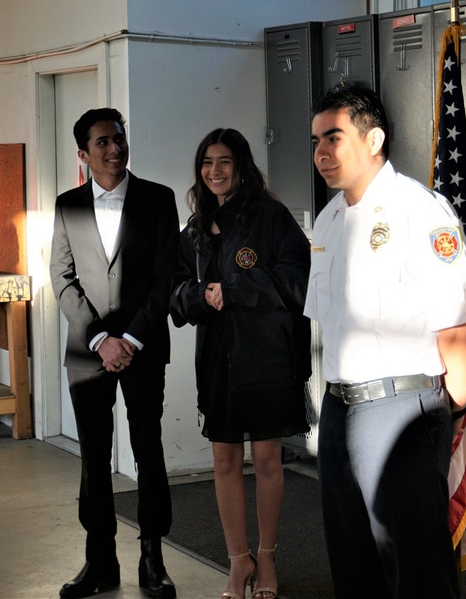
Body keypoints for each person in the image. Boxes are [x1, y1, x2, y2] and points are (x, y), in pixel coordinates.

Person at [305, 85, 466, 599]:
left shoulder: (419, 210)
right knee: (353, 563)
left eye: (333, 138)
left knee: (416, 569)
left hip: (401, 410)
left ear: (374, 137)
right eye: (315, 140)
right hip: (340, 411)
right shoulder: (329, 220)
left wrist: (447, 412)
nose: (320, 153)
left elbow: (459, 329)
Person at [170, 128, 311, 599]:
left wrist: (236, 291)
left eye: (224, 161)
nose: (215, 171)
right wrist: (196, 296)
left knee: (267, 458)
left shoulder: (271, 217)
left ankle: (267, 558)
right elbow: (172, 289)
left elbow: (296, 279)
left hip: (267, 359)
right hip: (217, 360)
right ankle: (238, 561)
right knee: (224, 458)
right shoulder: (194, 227)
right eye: (207, 162)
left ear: (241, 165)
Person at [50, 107, 179, 599]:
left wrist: (131, 339)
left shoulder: (158, 199)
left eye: (119, 139)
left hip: (143, 348)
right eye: (102, 142)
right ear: (84, 154)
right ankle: (99, 560)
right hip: (88, 353)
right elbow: (61, 278)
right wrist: (101, 340)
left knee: (149, 450)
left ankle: (153, 558)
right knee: (94, 456)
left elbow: (168, 276)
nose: (114, 149)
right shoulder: (68, 205)